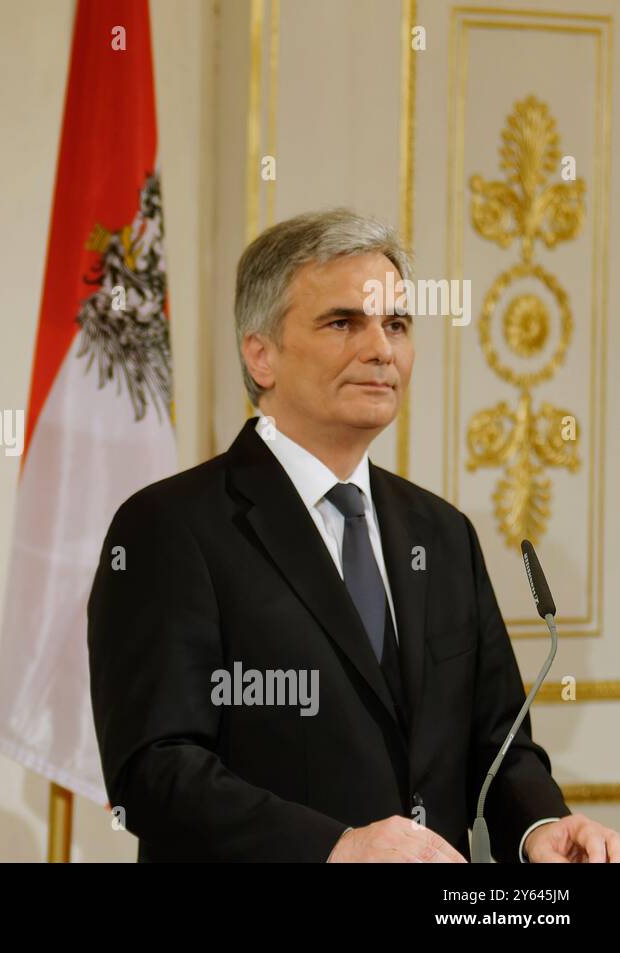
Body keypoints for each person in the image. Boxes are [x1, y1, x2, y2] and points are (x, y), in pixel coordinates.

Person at [88, 208, 619, 862]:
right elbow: (153, 771)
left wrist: (543, 824)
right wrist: (334, 848)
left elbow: (500, 744)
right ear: (261, 354)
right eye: (344, 322)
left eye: (396, 324)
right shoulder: (167, 529)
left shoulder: (443, 533)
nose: (381, 349)